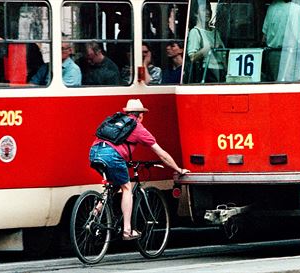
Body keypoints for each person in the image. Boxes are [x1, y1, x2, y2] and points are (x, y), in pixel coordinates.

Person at [89, 99, 190, 240]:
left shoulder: (115, 120)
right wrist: (178, 169)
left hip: (95, 153)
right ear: (140, 115)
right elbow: (161, 153)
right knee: (127, 188)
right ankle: (127, 230)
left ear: (127, 112)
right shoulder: (137, 127)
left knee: (114, 185)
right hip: (112, 155)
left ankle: (94, 214)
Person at [186, 2, 225, 83]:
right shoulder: (195, 32)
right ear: (196, 14)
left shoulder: (215, 32)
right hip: (207, 73)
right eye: (204, 10)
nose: (208, 12)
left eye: (209, 9)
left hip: (221, 70)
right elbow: (192, 57)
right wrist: (207, 48)